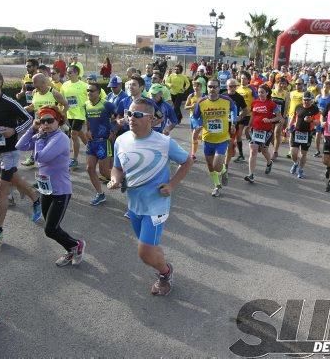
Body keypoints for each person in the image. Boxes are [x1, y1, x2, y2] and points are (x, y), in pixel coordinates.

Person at [107, 98, 192, 296]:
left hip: (156, 205)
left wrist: (172, 184)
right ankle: (160, 261)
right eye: (129, 113)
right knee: (149, 248)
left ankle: (165, 273)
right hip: (134, 204)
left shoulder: (164, 142)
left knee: (144, 252)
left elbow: (187, 161)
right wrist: (114, 179)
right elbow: (117, 168)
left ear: (151, 119)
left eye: (137, 115)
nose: (130, 118)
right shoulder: (122, 140)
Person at [0, 69, 42, 241]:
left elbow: (28, 119)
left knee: (0, 191)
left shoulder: (9, 103)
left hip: (9, 153)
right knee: (15, 180)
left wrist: (13, 130)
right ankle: (35, 197)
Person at [16, 106, 86, 266]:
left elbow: (43, 158)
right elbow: (20, 146)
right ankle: (71, 249)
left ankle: (76, 245)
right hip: (46, 188)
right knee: (52, 227)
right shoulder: (43, 135)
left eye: (50, 120)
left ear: (58, 121)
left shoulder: (59, 138)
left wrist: (38, 138)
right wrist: (32, 130)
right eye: (42, 121)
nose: (46, 124)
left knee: (50, 229)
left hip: (61, 191)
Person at [192, 78, 237, 196]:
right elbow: (195, 117)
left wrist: (233, 122)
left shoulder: (226, 100)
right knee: (210, 166)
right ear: (207, 88)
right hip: (207, 139)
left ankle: (222, 170)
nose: (212, 89)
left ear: (219, 88)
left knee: (217, 166)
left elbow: (234, 109)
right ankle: (217, 186)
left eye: (215, 87)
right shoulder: (201, 102)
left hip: (222, 139)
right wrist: (197, 125)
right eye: (210, 86)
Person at [84, 82, 116, 205]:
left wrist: (113, 130)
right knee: (89, 168)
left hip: (104, 142)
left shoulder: (106, 105)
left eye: (91, 91)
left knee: (104, 172)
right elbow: (88, 120)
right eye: (88, 90)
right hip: (92, 142)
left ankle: (124, 179)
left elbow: (118, 117)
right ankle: (100, 194)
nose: (89, 93)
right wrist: (87, 131)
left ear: (98, 92)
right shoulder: (86, 105)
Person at [244, 84, 282, 183]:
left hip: (266, 131)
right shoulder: (254, 102)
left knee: (264, 150)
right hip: (255, 130)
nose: (260, 94)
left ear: (267, 93)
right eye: (259, 92)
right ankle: (251, 174)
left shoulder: (272, 104)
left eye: (262, 92)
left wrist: (270, 120)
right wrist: (248, 126)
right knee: (253, 150)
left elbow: (279, 117)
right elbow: (253, 115)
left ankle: (269, 162)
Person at [60, 65, 88, 169]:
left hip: (80, 113)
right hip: (70, 114)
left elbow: (93, 96)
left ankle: (75, 159)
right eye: (67, 72)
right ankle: (90, 148)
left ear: (77, 73)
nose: (68, 74)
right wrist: (62, 110)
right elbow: (62, 99)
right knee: (79, 133)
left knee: (73, 134)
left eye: (70, 72)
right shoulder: (65, 85)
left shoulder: (84, 85)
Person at [288, 91, 321, 179]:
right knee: (293, 152)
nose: (306, 102)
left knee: (303, 154)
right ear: (302, 100)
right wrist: (289, 126)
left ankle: (301, 169)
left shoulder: (315, 109)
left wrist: (311, 120)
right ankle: (295, 163)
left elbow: (318, 122)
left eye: (308, 100)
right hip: (296, 132)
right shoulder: (298, 106)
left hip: (307, 133)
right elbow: (294, 118)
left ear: (311, 100)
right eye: (304, 100)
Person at [185, 79, 205, 160]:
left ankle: (193, 155)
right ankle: (205, 138)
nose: (196, 87)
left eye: (197, 86)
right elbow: (185, 107)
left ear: (201, 87)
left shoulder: (204, 96)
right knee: (194, 136)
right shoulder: (191, 96)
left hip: (201, 117)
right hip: (192, 117)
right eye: (194, 86)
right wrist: (191, 106)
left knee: (194, 135)